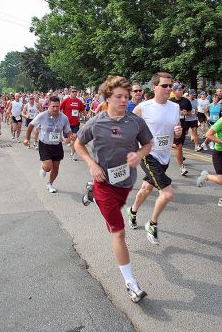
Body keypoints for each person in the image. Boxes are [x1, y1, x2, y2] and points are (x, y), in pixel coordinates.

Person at [75, 76, 153, 303]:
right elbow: (78, 144)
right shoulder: (97, 122)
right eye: (118, 96)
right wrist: (92, 164)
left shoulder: (135, 122)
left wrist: (139, 154)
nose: (123, 100)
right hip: (104, 183)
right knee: (118, 231)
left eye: (126, 97)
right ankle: (131, 284)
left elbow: (148, 143)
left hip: (126, 182)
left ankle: (91, 194)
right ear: (107, 98)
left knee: (118, 212)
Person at [128, 72, 182, 244]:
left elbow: (176, 127)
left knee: (146, 189)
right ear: (155, 87)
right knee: (167, 193)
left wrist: (178, 131)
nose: (168, 89)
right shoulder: (143, 107)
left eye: (170, 86)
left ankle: (132, 211)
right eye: (164, 85)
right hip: (148, 154)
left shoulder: (175, 107)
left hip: (164, 155)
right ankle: (152, 224)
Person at [24, 96, 72, 193]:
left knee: (56, 166)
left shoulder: (64, 118)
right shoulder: (42, 115)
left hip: (57, 145)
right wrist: (26, 138)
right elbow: (31, 125)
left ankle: (50, 183)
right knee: (48, 167)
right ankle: (44, 168)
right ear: (48, 106)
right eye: (53, 106)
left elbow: (68, 131)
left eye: (57, 106)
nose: (55, 109)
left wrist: (70, 138)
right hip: (45, 144)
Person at [197, 117, 222, 207]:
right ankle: (206, 176)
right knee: (221, 179)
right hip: (219, 154)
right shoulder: (221, 121)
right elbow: (208, 134)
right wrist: (221, 141)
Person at [170, 83, 192, 175]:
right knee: (178, 146)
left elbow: (190, 113)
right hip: (173, 126)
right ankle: (182, 167)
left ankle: (174, 149)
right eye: (179, 90)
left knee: (179, 145)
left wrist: (185, 113)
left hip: (183, 125)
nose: (181, 91)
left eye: (182, 90)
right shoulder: (170, 102)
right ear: (174, 91)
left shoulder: (186, 101)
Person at [60, 86, 85, 161]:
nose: (74, 93)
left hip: (75, 124)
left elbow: (82, 111)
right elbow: (60, 108)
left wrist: (84, 116)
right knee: (67, 141)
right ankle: (61, 138)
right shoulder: (66, 100)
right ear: (70, 93)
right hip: (67, 124)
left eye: (75, 92)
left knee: (74, 139)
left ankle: (72, 154)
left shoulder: (79, 101)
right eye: (73, 92)